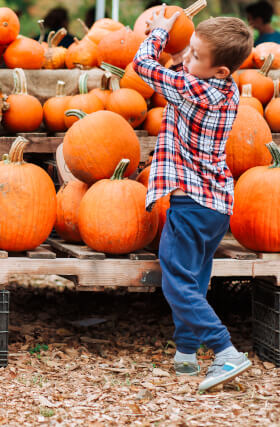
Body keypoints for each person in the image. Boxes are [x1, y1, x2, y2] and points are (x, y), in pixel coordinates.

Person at [132, 7, 253, 392]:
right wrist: (186, 54)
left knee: (176, 282)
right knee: (194, 279)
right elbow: (183, 72)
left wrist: (161, 33)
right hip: (216, 205)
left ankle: (225, 351)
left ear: (220, 69)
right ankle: (186, 354)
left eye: (196, 56)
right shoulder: (225, 87)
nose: (187, 58)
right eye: (190, 50)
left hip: (191, 204)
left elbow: (142, 64)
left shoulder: (193, 90)